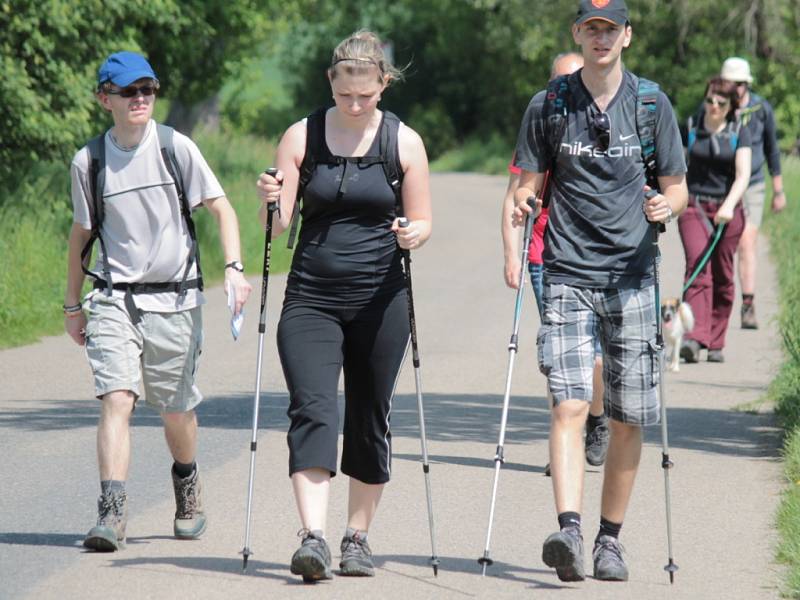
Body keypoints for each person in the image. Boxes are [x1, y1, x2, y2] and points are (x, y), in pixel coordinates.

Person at [513, 0, 687, 582]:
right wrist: (521, 203)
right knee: (567, 403)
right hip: (565, 271)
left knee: (629, 417)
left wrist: (668, 204)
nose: (601, 37)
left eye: (610, 28)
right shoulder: (550, 104)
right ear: (578, 35)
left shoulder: (650, 103)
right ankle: (569, 528)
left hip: (633, 278)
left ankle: (609, 540)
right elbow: (529, 184)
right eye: (592, 28)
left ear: (626, 36)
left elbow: (677, 186)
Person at [256, 31, 432, 582]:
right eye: (345, 95)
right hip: (311, 296)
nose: (355, 106)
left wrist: (412, 235)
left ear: (383, 83)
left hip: (381, 300)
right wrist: (270, 200)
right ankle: (313, 538)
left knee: (368, 415)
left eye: (366, 96)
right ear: (331, 82)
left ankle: (357, 538)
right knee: (312, 409)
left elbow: (423, 220)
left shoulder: (404, 143)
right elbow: (278, 223)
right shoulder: (301, 135)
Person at [64, 51, 252, 552]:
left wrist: (233, 268)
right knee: (117, 398)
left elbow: (221, 207)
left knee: (174, 410)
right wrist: (71, 304)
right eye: (129, 91)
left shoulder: (175, 147)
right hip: (113, 297)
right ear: (105, 99)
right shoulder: (90, 161)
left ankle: (187, 486)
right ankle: (111, 512)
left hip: (175, 298)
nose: (141, 98)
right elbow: (81, 234)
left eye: (147, 89)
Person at [501, 52, 609, 471]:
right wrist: (512, 253)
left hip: (596, 253)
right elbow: (514, 194)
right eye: (561, 80)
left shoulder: (604, 122)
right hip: (544, 252)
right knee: (562, 353)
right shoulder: (540, 120)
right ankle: (565, 439)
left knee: (597, 355)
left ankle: (597, 418)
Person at [679, 77, 752, 364]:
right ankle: (695, 337)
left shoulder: (738, 131)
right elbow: (676, 165)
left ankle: (716, 339)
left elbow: (743, 174)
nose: (713, 106)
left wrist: (730, 205)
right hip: (694, 205)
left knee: (723, 275)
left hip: (727, 208)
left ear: (731, 105)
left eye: (721, 103)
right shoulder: (691, 127)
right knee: (697, 266)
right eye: (709, 100)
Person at [719, 57, 785, 329]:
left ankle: (747, 304)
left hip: (754, 184)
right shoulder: (718, 106)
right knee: (723, 248)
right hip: (723, 186)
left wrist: (778, 190)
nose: (730, 89)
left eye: (734, 84)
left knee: (747, 242)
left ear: (744, 84)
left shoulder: (760, 108)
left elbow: (772, 148)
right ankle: (718, 303)